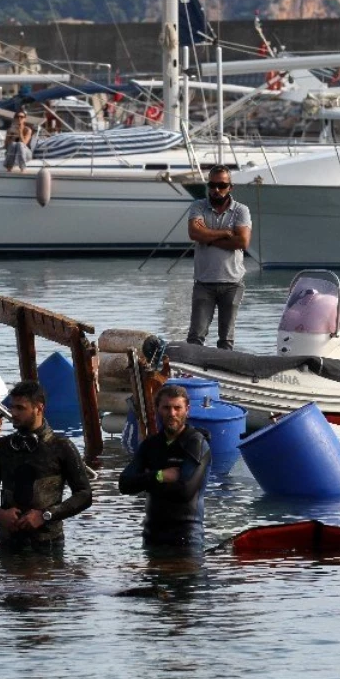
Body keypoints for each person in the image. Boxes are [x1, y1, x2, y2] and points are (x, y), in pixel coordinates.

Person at [0, 380, 92, 552]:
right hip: (8, 544)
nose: (13, 413)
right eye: (12, 407)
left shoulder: (61, 447)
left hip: (48, 545)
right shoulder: (1, 447)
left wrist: (45, 515)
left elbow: (84, 495)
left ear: (39, 408)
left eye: (20, 408)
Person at [118, 384, 210, 547]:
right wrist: (159, 475)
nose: (172, 414)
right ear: (157, 409)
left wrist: (145, 482)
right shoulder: (150, 445)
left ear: (187, 410)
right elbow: (124, 484)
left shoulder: (196, 443)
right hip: (152, 535)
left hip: (186, 537)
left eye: (177, 408)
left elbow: (185, 492)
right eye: (166, 408)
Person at [186, 166, 251, 349]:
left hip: (232, 283)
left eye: (222, 185)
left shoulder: (241, 210)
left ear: (230, 187)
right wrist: (225, 233)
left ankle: (224, 374)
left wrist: (208, 237)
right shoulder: (198, 206)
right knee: (195, 337)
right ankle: (192, 373)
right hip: (204, 282)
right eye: (212, 185)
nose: (216, 190)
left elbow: (243, 242)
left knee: (226, 339)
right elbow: (194, 233)